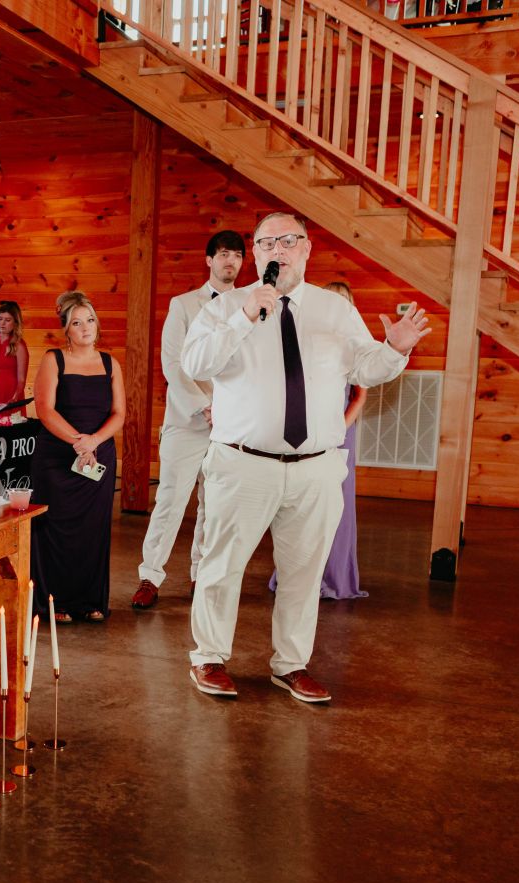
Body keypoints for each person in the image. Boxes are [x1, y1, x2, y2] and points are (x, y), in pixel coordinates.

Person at [181, 212, 429, 703]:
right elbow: (196, 363)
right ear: (255, 254)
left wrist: (395, 350)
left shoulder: (334, 310)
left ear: (307, 249)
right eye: (267, 242)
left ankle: (291, 665)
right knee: (221, 566)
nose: (278, 249)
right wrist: (244, 316)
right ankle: (208, 657)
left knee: (304, 571)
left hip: (315, 467)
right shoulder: (226, 307)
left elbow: (366, 368)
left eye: (289, 240)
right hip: (243, 463)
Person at [132, 229, 246, 611]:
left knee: (214, 506)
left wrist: (232, 410)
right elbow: (173, 363)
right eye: (224, 254)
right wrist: (204, 406)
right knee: (170, 501)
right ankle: (150, 576)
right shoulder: (182, 305)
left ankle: (201, 576)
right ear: (209, 260)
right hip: (187, 420)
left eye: (237, 255)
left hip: (231, 426)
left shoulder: (249, 307)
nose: (231, 261)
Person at [269, 280, 369, 600]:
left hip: (339, 434)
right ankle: (296, 575)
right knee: (301, 507)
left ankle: (334, 577)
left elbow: (359, 396)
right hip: (306, 434)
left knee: (335, 507)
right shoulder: (303, 337)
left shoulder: (353, 345)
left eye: (343, 301)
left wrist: (336, 432)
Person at [31, 291, 125, 623]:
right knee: (55, 529)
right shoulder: (53, 359)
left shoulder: (110, 364)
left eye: (90, 320)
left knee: (93, 530)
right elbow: (45, 409)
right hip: (57, 459)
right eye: (76, 323)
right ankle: (53, 602)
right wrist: (78, 443)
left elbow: (119, 413)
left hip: (98, 457)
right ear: (66, 329)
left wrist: (94, 442)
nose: (86, 328)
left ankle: (90, 600)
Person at [0, 300, 30, 406]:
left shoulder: (19, 346)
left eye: (7, 320)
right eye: (0, 319)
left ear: (15, 322)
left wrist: (15, 398)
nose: (2, 323)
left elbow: (21, 379)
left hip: (11, 395)